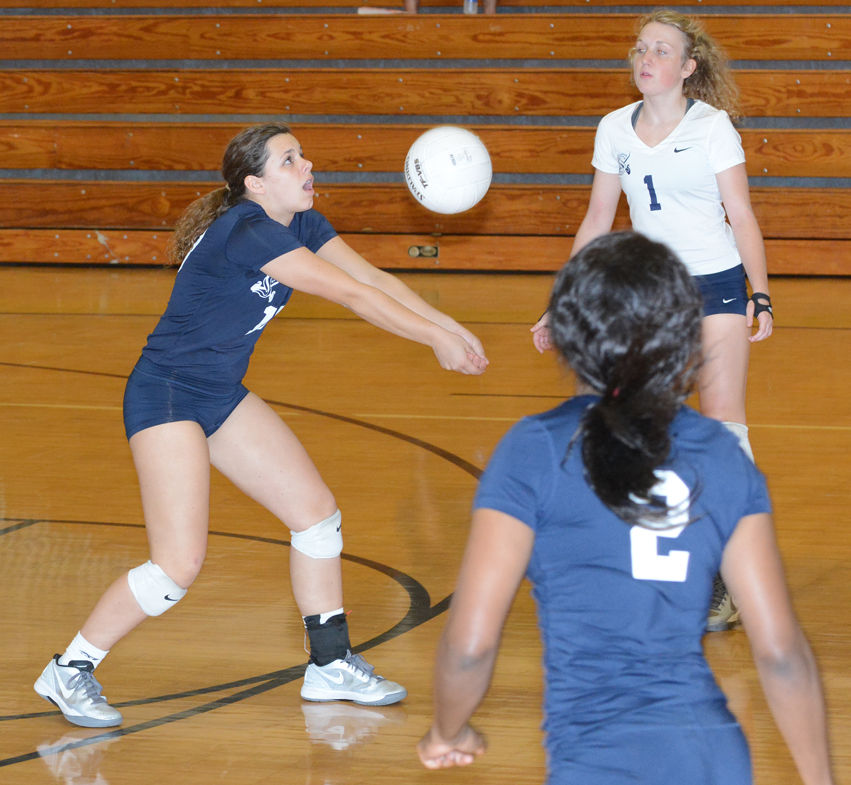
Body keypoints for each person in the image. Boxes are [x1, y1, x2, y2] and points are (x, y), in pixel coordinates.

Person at [34, 121, 488, 729]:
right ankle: (71, 668)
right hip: (168, 395)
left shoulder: (297, 222)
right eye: (290, 160)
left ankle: (329, 665)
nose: (307, 166)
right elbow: (352, 299)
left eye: (302, 155)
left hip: (219, 393)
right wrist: (433, 339)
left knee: (316, 517)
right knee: (176, 567)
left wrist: (450, 328)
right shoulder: (247, 230)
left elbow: (374, 281)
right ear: (255, 184)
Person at [418, 231, 833, 785]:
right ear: (686, 334)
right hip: (713, 756)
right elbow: (781, 652)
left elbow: (470, 646)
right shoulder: (720, 454)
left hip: (596, 760)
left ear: (567, 334)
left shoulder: (535, 449)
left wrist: (449, 731)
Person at [531, 10, 773, 631]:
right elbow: (595, 222)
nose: (646, 58)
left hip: (716, 286)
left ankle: (735, 574)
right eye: (641, 48)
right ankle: (652, 562)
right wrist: (562, 302)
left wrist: (761, 294)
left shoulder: (712, 127)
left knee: (724, 431)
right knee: (642, 429)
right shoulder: (613, 128)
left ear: (688, 67)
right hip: (651, 289)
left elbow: (740, 215)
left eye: (661, 50)